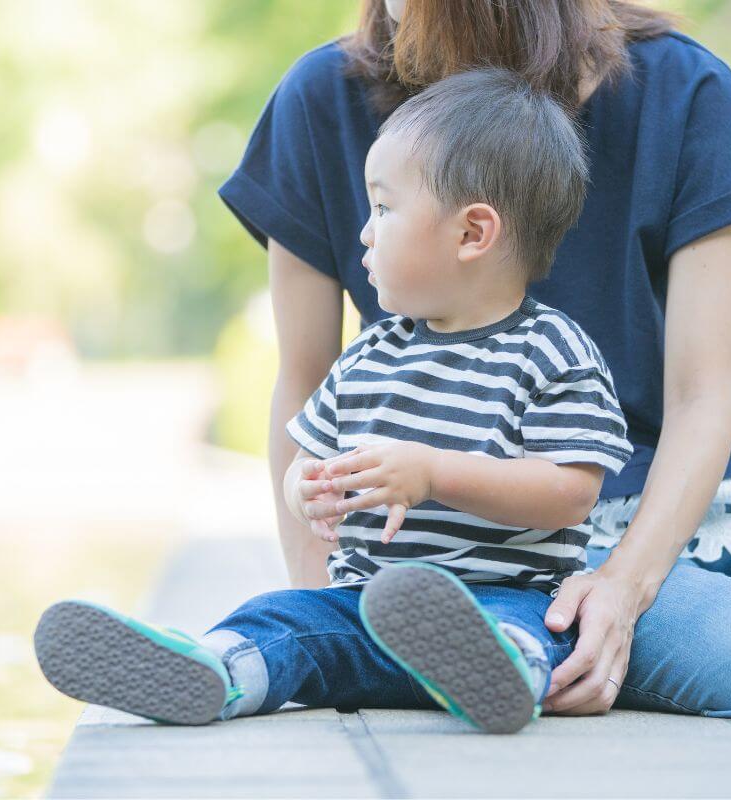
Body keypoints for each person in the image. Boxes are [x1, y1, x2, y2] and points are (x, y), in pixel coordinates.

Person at [216, 0, 731, 795]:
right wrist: (339, 620)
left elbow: (703, 397)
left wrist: (626, 587)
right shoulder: (323, 98)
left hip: (730, 489)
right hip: (519, 533)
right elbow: (306, 384)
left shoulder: (685, 88)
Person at [34, 67, 633, 735]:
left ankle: (500, 673)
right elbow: (310, 456)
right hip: (363, 609)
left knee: (533, 628)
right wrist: (305, 489)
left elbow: (571, 491)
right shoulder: (371, 355)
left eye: (384, 208)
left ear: (472, 234)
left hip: (502, 599)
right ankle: (215, 672)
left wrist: (434, 474)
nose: (364, 235)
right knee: (284, 618)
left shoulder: (553, 350)